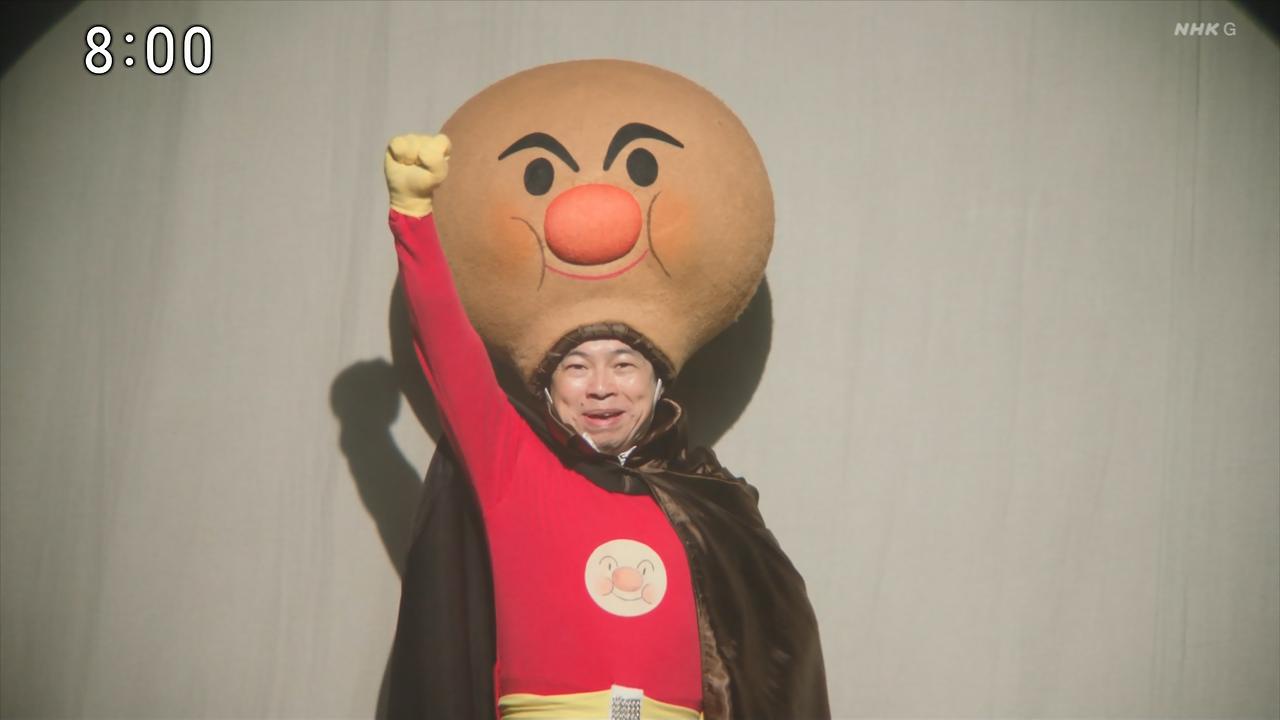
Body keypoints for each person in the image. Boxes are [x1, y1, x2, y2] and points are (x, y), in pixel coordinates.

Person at [383, 128, 829, 720]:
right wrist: (413, 217)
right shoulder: (512, 468)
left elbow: (767, 664)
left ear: (656, 385)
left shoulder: (708, 500)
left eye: (623, 365)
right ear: (549, 389)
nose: (601, 387)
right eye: (576, 367)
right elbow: (448, 350)